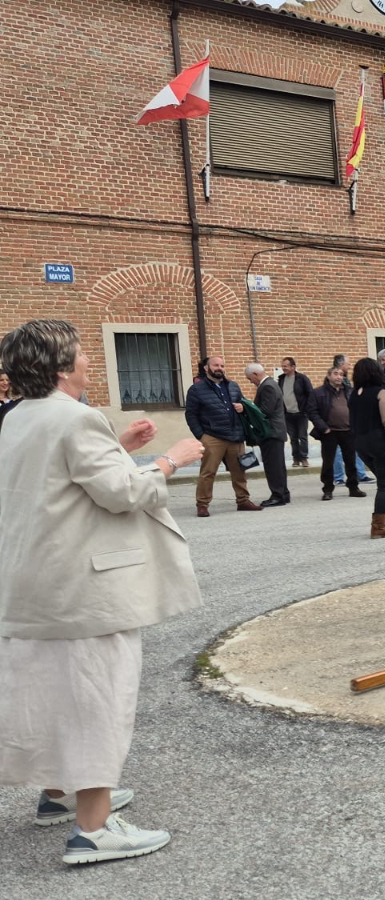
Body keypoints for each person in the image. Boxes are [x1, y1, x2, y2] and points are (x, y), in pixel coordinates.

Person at [0, 320, 208, 866]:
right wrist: (172, 459)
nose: (89, 359)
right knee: (97, 697)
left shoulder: (17, 416)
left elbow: (56, 475)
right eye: (80, 353)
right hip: (83, 587)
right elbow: (121, 493)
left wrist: (118, 446)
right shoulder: (77, 416)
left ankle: (57, 794)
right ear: (60, 367)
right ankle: (92, 829)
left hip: (33, 582)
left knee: (47, 692)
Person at [183, 355, 261, 517]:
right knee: (208, 472)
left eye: (222, 366)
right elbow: (191, 414)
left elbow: (243, 404)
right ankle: (202, 504)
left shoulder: (233, 386)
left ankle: (243, 501)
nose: (219, 368)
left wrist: (243, 408)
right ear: (207, 368)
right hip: (212, 436)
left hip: (235, 435)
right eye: (216, 365)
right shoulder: (196, 389)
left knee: (239, 471)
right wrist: (201, 436)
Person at [350, 358, 385, 538]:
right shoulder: (381, 392)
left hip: (360, 442)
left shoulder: (354, 394)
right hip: (379, 441)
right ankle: (378, 526)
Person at [308, 366, 365, 503]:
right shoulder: (318, 393)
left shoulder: (350, 391)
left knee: (351, 461)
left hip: (348, 431)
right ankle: (327, 490)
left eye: (341, 374)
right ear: (329, 376)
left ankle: (353, 487)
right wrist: (324, 428)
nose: (339, 377)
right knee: (328, 462)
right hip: (329, 432)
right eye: (336, 374)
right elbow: (312, 412)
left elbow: (359, 409)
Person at [243, 363, 289, 507]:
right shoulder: (270, 384)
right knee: (278, 465)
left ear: (255, 374)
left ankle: (278, 495)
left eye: (250, 378)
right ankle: (283, 493)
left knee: (273, 466)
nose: (250, 382)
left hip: (271, 433)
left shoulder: (267, 386)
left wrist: (247, 408)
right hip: (275, 432)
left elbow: (265, 411)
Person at [328, 354, 372, 487]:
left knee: (355, 448)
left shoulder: (347, 381)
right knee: (337, 451)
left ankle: (360, 474)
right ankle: (339, 477)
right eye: (348, 364)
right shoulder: (331, 383)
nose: (349, 366)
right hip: (336, 425)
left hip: (350, 422)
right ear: (341, 365)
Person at [277, 357, 312, 468]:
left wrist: (307, 409)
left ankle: (304, 458)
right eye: (282, 366)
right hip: (287, 414)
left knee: (302, 436)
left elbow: (310, 394)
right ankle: (296, 458)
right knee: (293, 437)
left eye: (286, 366)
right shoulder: (281, 379)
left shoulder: (302, 379)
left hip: (301, 413)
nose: (283, 368)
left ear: (293, 367)